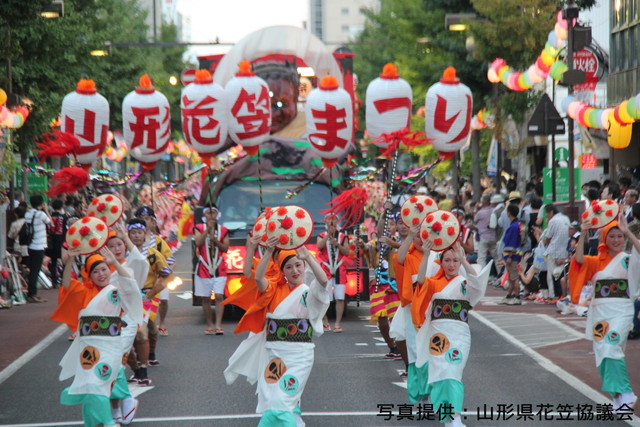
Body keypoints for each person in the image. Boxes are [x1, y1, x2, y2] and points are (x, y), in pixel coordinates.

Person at [224, 236, 329, 426]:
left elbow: (323, 282)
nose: (295, 270)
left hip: (299, 356)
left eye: (298, 265)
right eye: (289, 267)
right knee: (272, 401)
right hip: (273, 355)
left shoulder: (308, 291)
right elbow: (257, 277)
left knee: (281, 401)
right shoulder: (273, 289)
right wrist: (269, 252)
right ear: (282, 271)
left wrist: (308, 257)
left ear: (304, 266)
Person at [53, 246, 142, 427]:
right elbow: (67, 285)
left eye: (104, 270)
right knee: (90, 385)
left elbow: (130, 283)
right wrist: (69, 261)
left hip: (111, 346)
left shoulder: (115, 291)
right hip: (88, 348)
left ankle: (108, 420)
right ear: (89, 274)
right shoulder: (83, 291)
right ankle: (95, 422)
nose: (101, 274)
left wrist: (114, 262)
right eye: (95, 271)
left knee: (97, 384)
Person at [412, 242, 491, 427]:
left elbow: (478, 283)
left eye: (455, 260)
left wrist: (463, 259)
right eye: (447, 260)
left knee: (453, 372)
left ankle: (455, 418)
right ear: (441, 262)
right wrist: (425, 256)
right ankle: (448, 418)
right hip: (438, 335)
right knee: (441, 374)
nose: (451, 264)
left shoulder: (464, 283)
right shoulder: (434, 282)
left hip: (459, 335)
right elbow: (420, 280)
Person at [569, 216, 640, 410]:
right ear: (604, 239)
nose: (616, 240)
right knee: (602, 354)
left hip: (621, 311)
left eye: (619, 236)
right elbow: (579, 260)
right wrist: (583, 232)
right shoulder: (596, 261)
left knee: (611, 347)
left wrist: (629, 233)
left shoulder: (628, 259)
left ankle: (625, 392)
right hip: (599, 313)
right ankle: (617, 396)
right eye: (612, 236)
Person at [126, 218, 172, 383]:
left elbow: (166, 275)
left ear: (145, 234)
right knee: (126, 336)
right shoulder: (122, 252)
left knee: (142, 331)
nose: (136, 236)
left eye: (139, 233)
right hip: (125, 298)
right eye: (133, 233)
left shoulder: (152, 254)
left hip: (146, 297)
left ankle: (145, 365)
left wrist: (152, 293)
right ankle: (136, 368)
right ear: (128, 235)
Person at [358, 211, 402, 359]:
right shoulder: (377, 243)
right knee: (382, 321)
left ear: (396, 226)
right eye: (386, 224)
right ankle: (393, 347)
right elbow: (367, 248)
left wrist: (392, 243)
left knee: (396, 320)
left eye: (392, 224)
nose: (388, 227)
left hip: (395, 286)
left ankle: (403, 348)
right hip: (379, 284)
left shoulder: (398, 241)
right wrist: (362, 244)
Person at [135, 206, 175, 336]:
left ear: (152, 222)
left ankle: (161, 323)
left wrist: (162, 276)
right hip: (137, 283)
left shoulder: (158, 241)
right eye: (141, 219)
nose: (144, 222)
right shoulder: (129, 242)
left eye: (147, 219)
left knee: (163, 300)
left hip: (157, 280)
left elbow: (170, 262)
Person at [194, 205, 229, 334]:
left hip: (219, 266)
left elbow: (225, 248)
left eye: (213, 213)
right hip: (204, 267)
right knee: (206, 298)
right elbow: (198, 243)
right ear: (204, 215)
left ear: (217, 215)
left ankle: (218, 325)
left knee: (219, 296)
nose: (211, 215)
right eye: (208, 213)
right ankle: (210, 325)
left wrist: (215, 240)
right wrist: (207, 230)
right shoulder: (198, 228)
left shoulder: (223, 230)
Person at [316, 214, 350, 332]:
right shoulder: (321, 235)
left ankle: (337, 323)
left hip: (339, 269)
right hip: (326, 269)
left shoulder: (343, 236)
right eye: (329, 219)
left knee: (340, 298)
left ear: (337, 221)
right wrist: (328, 236)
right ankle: (325, 321)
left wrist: (337, 245)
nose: (331, 221)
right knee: (324, 298)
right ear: (326, 222)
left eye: (334, 219)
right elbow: (319, 246)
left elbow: (346, 252)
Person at [24, 194, 52, 303]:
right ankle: (32, 294)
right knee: (35, 271)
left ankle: (32, 293)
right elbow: (50, 222)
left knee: (33, 270)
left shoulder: (28, 213)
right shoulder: (40, 214)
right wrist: (45, 210)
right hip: (39, 245)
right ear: (41, 203)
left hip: (30, 245)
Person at [543, 204, 570, 301]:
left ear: (550, 212)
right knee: (560, 274)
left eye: (547, 214)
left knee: (551, 275)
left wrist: (545, 242)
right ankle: (560, 294)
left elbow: (548, 237)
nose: (547, 216)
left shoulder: (553, 221)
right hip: (564, 251)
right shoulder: (565, 218)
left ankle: (553, 295)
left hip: (553, 250)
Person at [500, 204, 523, 305]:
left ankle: (517, 297)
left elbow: (512, 243)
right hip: (515, 254)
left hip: (512, 255)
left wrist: (509, 256)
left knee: (514, 277)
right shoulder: (517, 225)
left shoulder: (513, 227)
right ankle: (509, 295)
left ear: (509, 213)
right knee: (511, 276)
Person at [48, 199, 68, 288]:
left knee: (53, 261)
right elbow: (66, 229)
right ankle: (64, 280)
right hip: (62, 241)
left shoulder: (50, 216)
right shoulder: (64, 217)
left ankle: (54, 281)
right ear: (61, 207)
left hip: (51, 241)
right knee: (64, 261)